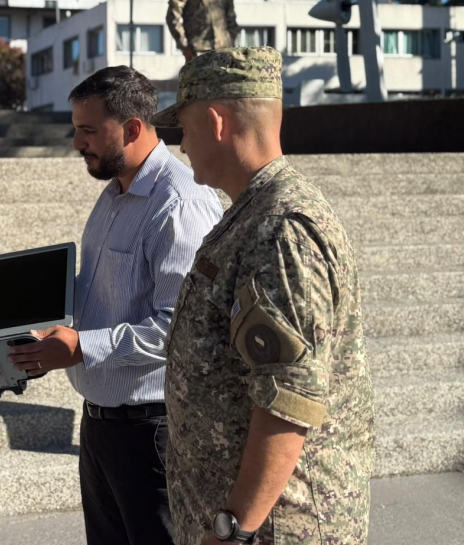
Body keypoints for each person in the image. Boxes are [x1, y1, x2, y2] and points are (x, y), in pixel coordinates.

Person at [152, 47, 375, 545]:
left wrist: (235, 528)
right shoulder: (250, 214)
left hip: (276, 527)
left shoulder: (281, 229)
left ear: (215, 121)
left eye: (183, 127)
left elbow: (289, 400)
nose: (180, 144)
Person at [9, 66, 222, 545]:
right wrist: (24, 304)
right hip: (102, 426)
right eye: (76, 129)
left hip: (153, 434)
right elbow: (97, 292)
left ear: (131, 129)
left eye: (88, 131)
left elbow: (181, 327)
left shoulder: (179, 203)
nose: (75, 143)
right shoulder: (113, 193)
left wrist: (83, 347)